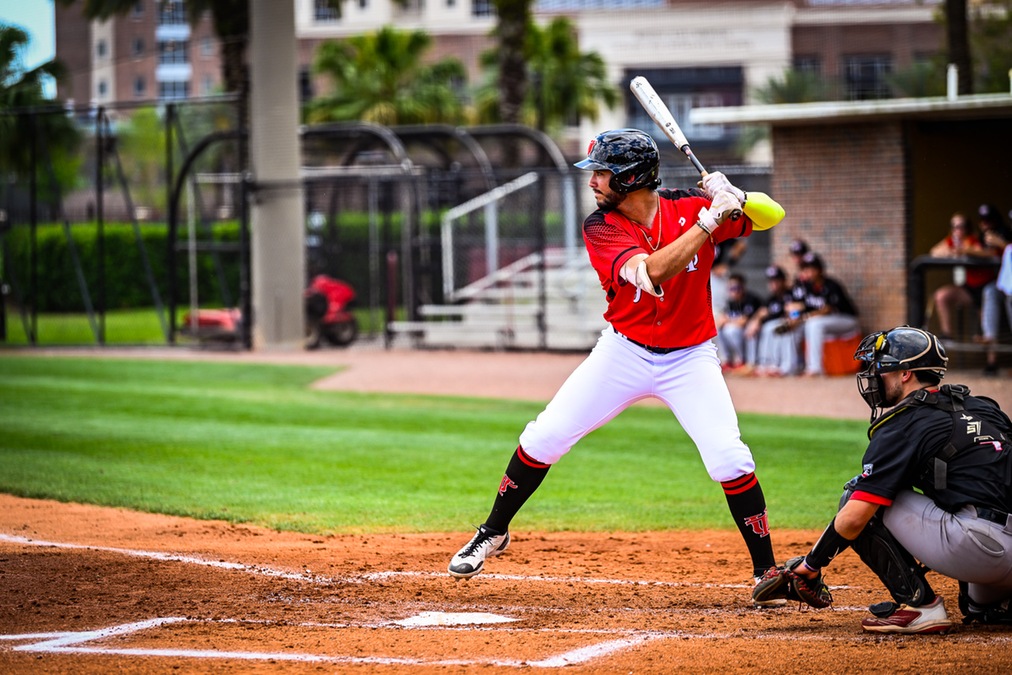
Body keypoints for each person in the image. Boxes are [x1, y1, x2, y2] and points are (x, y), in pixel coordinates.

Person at [447, 128, 787, 605]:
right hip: (623, 352)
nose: (594, 182)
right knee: (544, 436)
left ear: (630, 177)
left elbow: (774, 216)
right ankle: (493, 531)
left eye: (603, 173)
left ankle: (765, 571)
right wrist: (710, 223)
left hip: (690, 357)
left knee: (729, 457)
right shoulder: (601, 227)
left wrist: (738, 196)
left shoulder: (691, 206)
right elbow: (651, 273)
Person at [753, 326, 1012, 633]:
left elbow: (854, 518)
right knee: (977, 605)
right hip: (998, 556)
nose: (873, 375)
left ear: (905, 374)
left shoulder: (903, 423)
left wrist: (810, 566)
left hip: (982, 552)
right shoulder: (984, 407)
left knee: (858, 498)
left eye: (879, 367)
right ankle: (993, 602)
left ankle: (922, 607)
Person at [929, 212, 994, 340]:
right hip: (969, 288)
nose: (957, 230)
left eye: (961, 226)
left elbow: (986, 252)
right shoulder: (953, 241)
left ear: (967, 227)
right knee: (941, 295)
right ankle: (947, 334)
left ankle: (991, 359)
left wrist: (965, 251)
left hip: (986, 288)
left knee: (987, 334)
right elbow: (934, 252)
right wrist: (953, 251)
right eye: (954, 226)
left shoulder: (974, 239)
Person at [975, 204, 1012, 375]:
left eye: (989, 220)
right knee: (990, 292)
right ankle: (989, 341)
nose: (986, 224)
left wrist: (1002, 244)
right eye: (983, 221)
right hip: (1004, 284)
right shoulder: (980, 237)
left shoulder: (1004, 234)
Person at [746, 265, 794, 376]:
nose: (773, 284)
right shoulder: (772, 298)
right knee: (754, 327)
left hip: (792, 323)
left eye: (776, 281)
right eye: (771, 281)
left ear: (783, 281)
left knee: (770, 327)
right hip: (777, 325)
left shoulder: (790, 294)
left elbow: (794, 311)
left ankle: (771, 364)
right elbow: (762, 312)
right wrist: (756, 320)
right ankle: (754, 364)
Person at [715, 272, 762, 371]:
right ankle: (727, 360)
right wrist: (725, 320)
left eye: (736, 288)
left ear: (742, 287)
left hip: (751, 332)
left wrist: (728, 320)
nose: (734, 292)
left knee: (730, 330)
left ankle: (742, 360)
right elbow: (721, 321)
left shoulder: (750, 299)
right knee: (718, 331)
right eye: (731, 289)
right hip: (739, 333)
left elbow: (743, 321)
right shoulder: (730, 302)